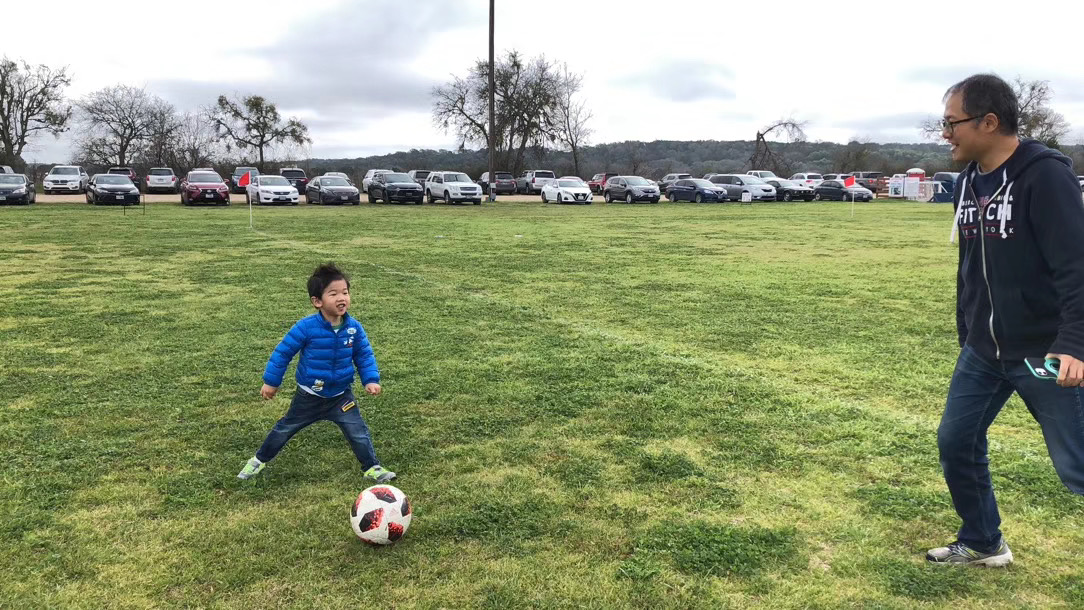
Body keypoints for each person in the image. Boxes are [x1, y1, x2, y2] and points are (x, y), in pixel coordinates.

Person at [931, 73, 1084, 565]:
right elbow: (969, 268)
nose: (945, 133)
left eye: (952, 122)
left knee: (1076, 464)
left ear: (989, 121)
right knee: (957, 441)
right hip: (984, 350)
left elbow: (1076, 265)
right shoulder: (966, 182)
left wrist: (1076, 342)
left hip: (1046, 351)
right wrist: (968, 326)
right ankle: (982, 541)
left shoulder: (1045, 176)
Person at [237, 263, 396, 483]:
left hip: (341, 396)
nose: (342, 298)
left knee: (357, 431)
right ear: (317, 301)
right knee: (285, 428)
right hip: (309, 396)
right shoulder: (306, 327)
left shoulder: (354, 328)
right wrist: (271, 382)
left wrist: (370, 379)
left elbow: (364, 355)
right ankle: (258, 460)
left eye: (345, 292)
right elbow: (283, 352)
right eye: (334, 294)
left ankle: (372, 467)